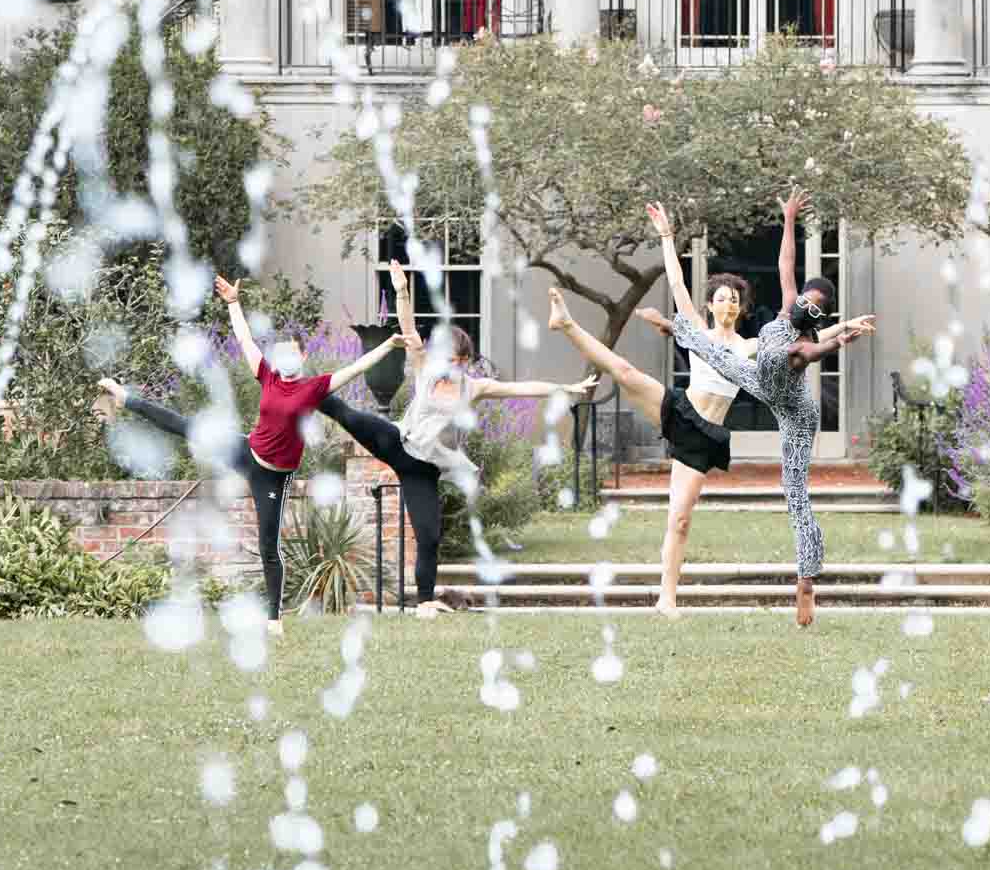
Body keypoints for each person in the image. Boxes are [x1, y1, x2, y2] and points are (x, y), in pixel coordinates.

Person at [614, 188, 872, 627]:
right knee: (715, 353)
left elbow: (813, 351)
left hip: (793, 411)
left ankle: (807, 579)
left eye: (813, 305)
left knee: (795, 495)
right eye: (808, 299)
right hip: (756, 382)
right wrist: (789, 220)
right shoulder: (785, 316)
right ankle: (673, 327)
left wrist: (837, 338)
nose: (805, 302)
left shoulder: (797, 344)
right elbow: (785, 265)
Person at [98, 274, 400, 635]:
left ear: (304, 356)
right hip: (247, 450)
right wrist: (233, 303)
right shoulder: (268, 376)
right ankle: (125, 397)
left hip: (273, 475)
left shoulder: (314, 389)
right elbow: (244, 339)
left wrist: (389, 345)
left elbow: (357, 368)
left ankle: (274, 619)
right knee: (186, 427)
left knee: (268, 544)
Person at [325, 258, 595, 617]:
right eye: (450, 360)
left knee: (429, 536)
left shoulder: (474, 386)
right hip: (399, 444)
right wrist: (403, 291)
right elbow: (407, 328)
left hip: (423, 470)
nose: (454, 367)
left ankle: (425, 602)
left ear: (468, 362)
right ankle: (299, 392)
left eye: (461, 362)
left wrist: (567, 387)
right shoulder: (425, 369)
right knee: (350, 414)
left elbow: (521, 388)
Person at [544, 203, 754, 613]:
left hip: (703, 437)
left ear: (740, 309)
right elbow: (676, 283)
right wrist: (666, 237)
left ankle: (666, 598)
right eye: (721, 299)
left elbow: (796, 347)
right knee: (623, 369)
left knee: (680, 520)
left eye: (734, 300)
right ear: (710, 305)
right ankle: (566, 323)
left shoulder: (749, 347)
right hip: (680, 409)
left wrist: (837, 331)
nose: (727, 305)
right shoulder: (698, 332)